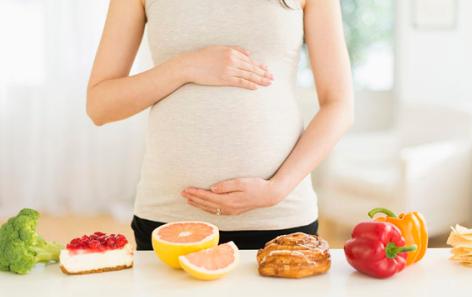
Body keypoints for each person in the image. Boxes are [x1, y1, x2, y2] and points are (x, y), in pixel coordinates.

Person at [86, 0, 353, 250]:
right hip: (170, 219)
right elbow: (100, 105)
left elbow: (339, 104)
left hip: (280, 218)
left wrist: (277, 189)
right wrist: (185, 67)